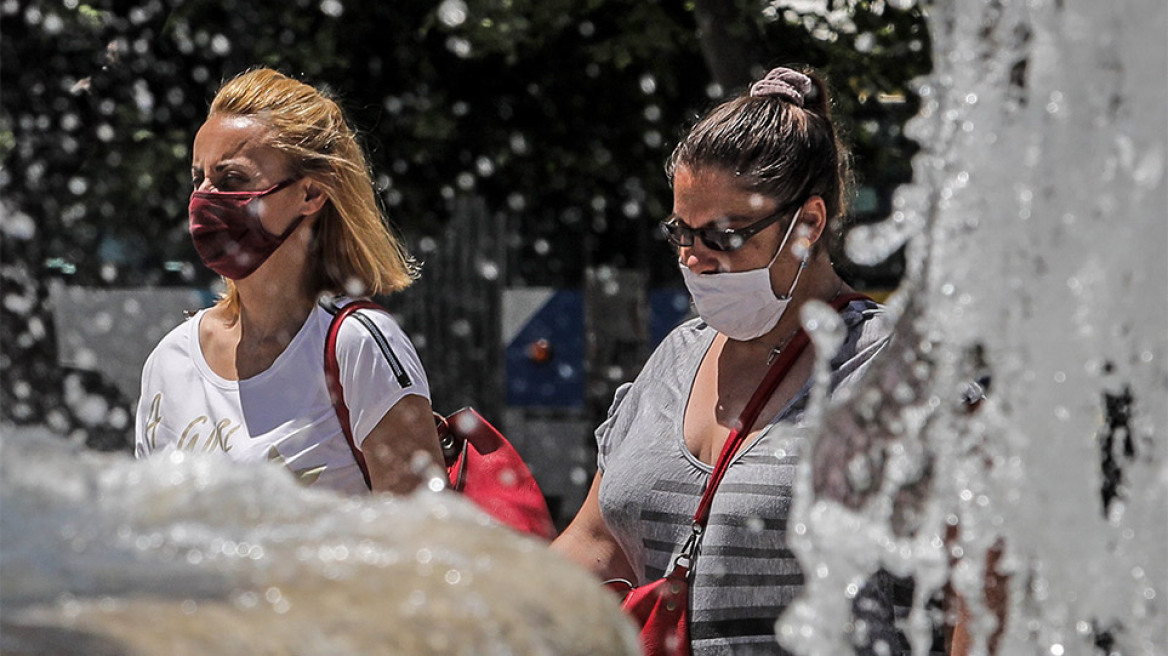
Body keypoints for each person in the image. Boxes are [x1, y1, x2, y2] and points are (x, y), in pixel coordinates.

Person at [551, 66, 901, 654]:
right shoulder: (674, 358)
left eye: (724, 236)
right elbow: (600, 542)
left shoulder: (894, 367)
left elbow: (988, 583)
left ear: (808, 223)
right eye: (682, 234)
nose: (695, 260)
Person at [134, 68, 444, 496]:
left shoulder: (359, 345)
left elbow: (422, 540)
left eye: (231, 180)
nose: (204, 198)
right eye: (198, 179)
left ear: (311, 195)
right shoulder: (169, 362)